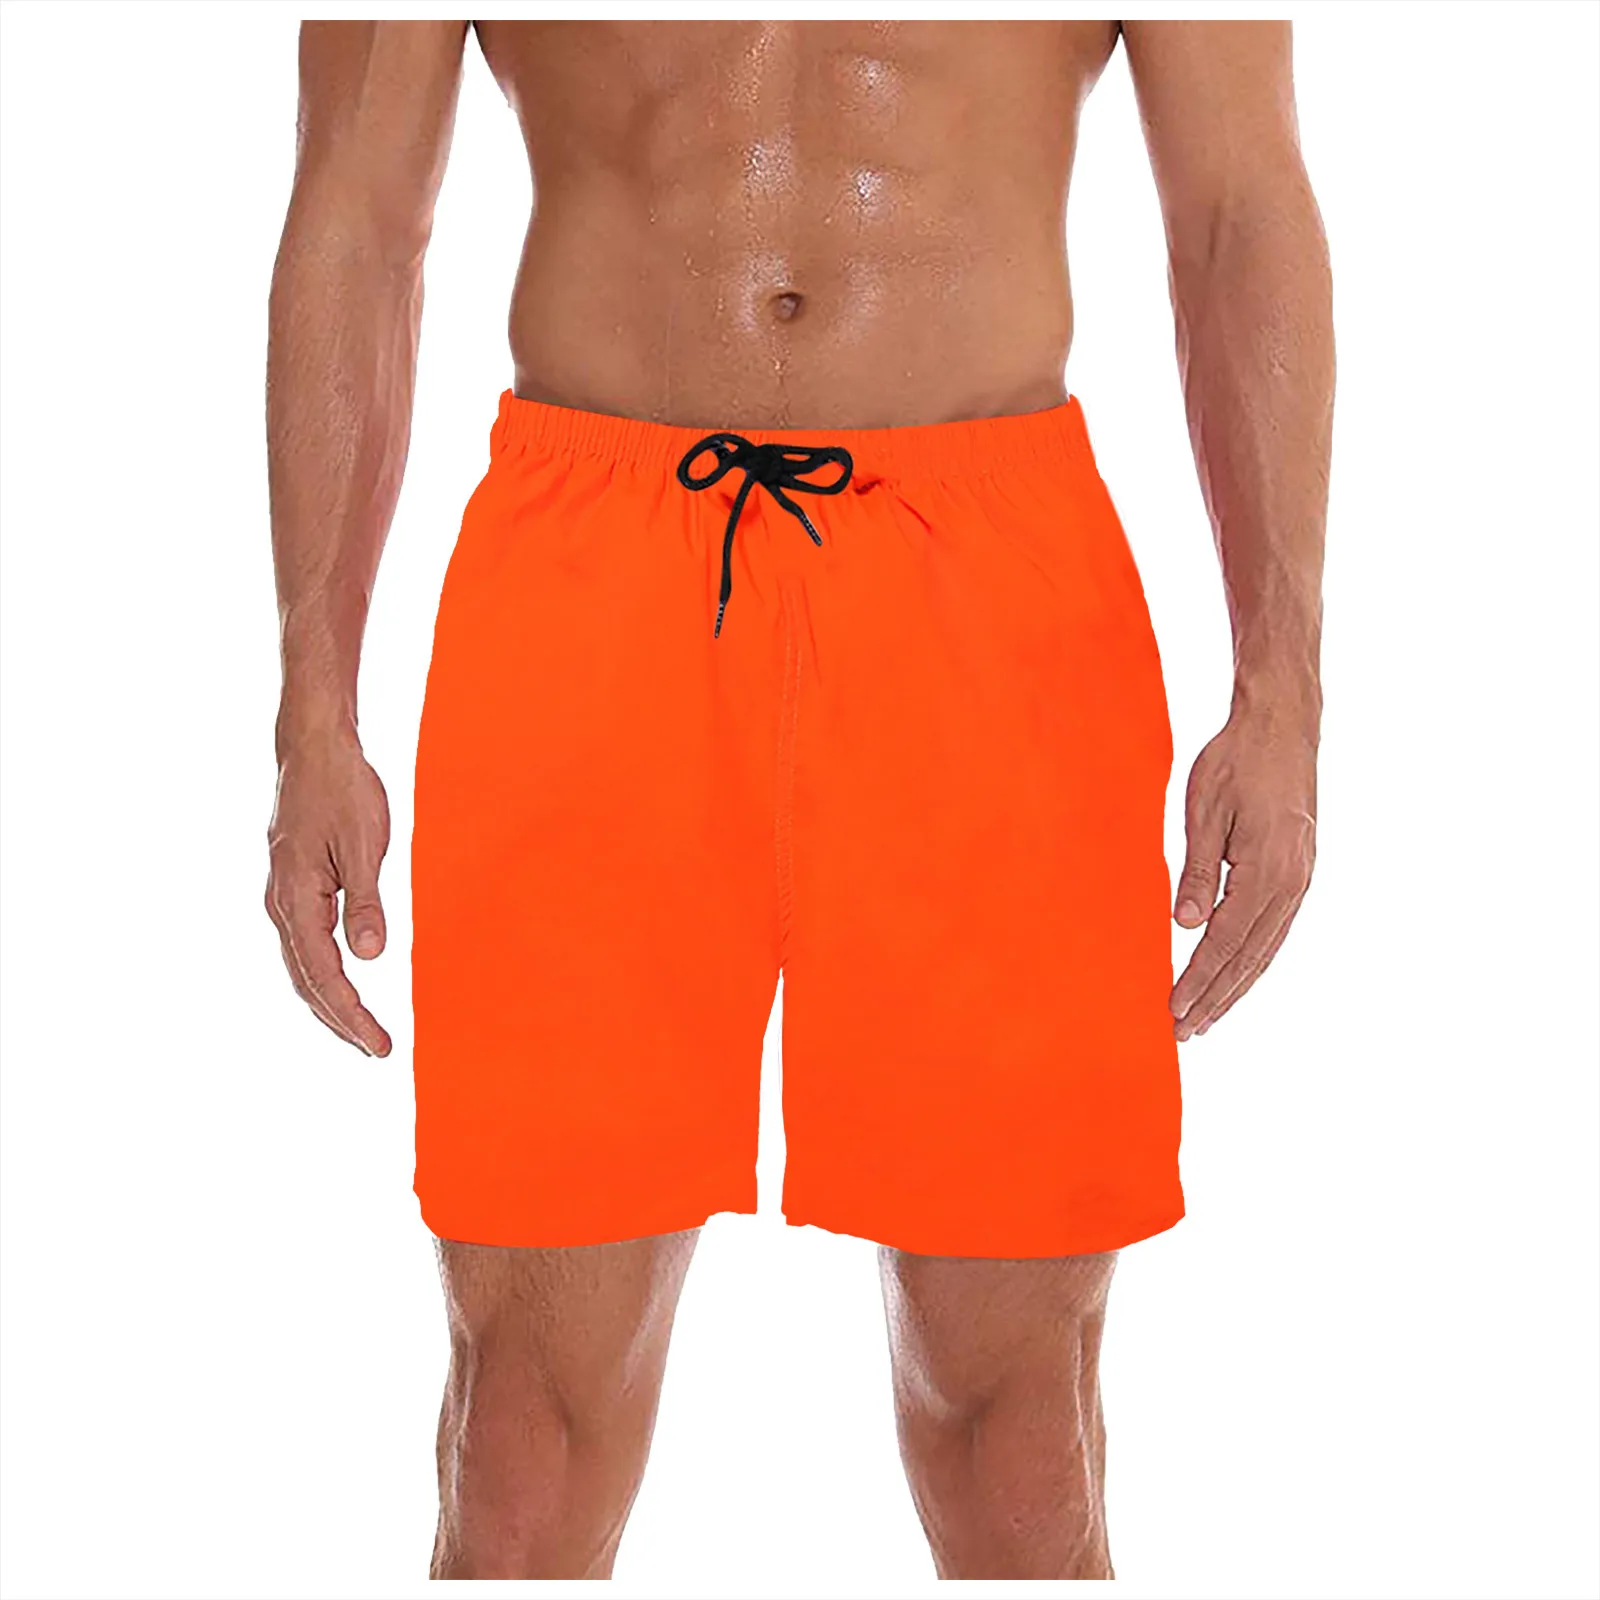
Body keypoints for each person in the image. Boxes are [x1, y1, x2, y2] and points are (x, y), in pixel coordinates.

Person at [264, 20, 1330, 1581]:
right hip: (593, 562)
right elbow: (357, 216)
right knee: (521, 1450)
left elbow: (1238, 209)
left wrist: (1283, 691)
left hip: (988, 575)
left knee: (1021, 1448)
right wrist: (314, 705)